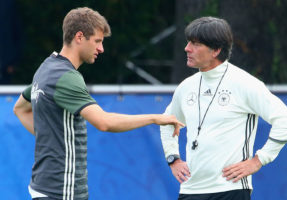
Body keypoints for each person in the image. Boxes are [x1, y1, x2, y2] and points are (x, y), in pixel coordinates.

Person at [13, 7, 184, 200]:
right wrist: (154, 118)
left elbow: (20, 108)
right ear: (79, 37)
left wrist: (53, 140)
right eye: (97, 41)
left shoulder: (46, 68)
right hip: (61, 191)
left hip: (43, 187)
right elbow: (104, 122)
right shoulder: (66, 77)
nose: (101, 48)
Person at [160, 16, 287, 200]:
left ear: (216, 50)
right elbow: (167, 122)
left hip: (231, 190)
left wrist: (259, 160)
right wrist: (173, 159)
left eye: (195, 44)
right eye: (188, 42)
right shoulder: (186, 87)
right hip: (190, 190)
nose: (187, 48)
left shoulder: (245, 83)